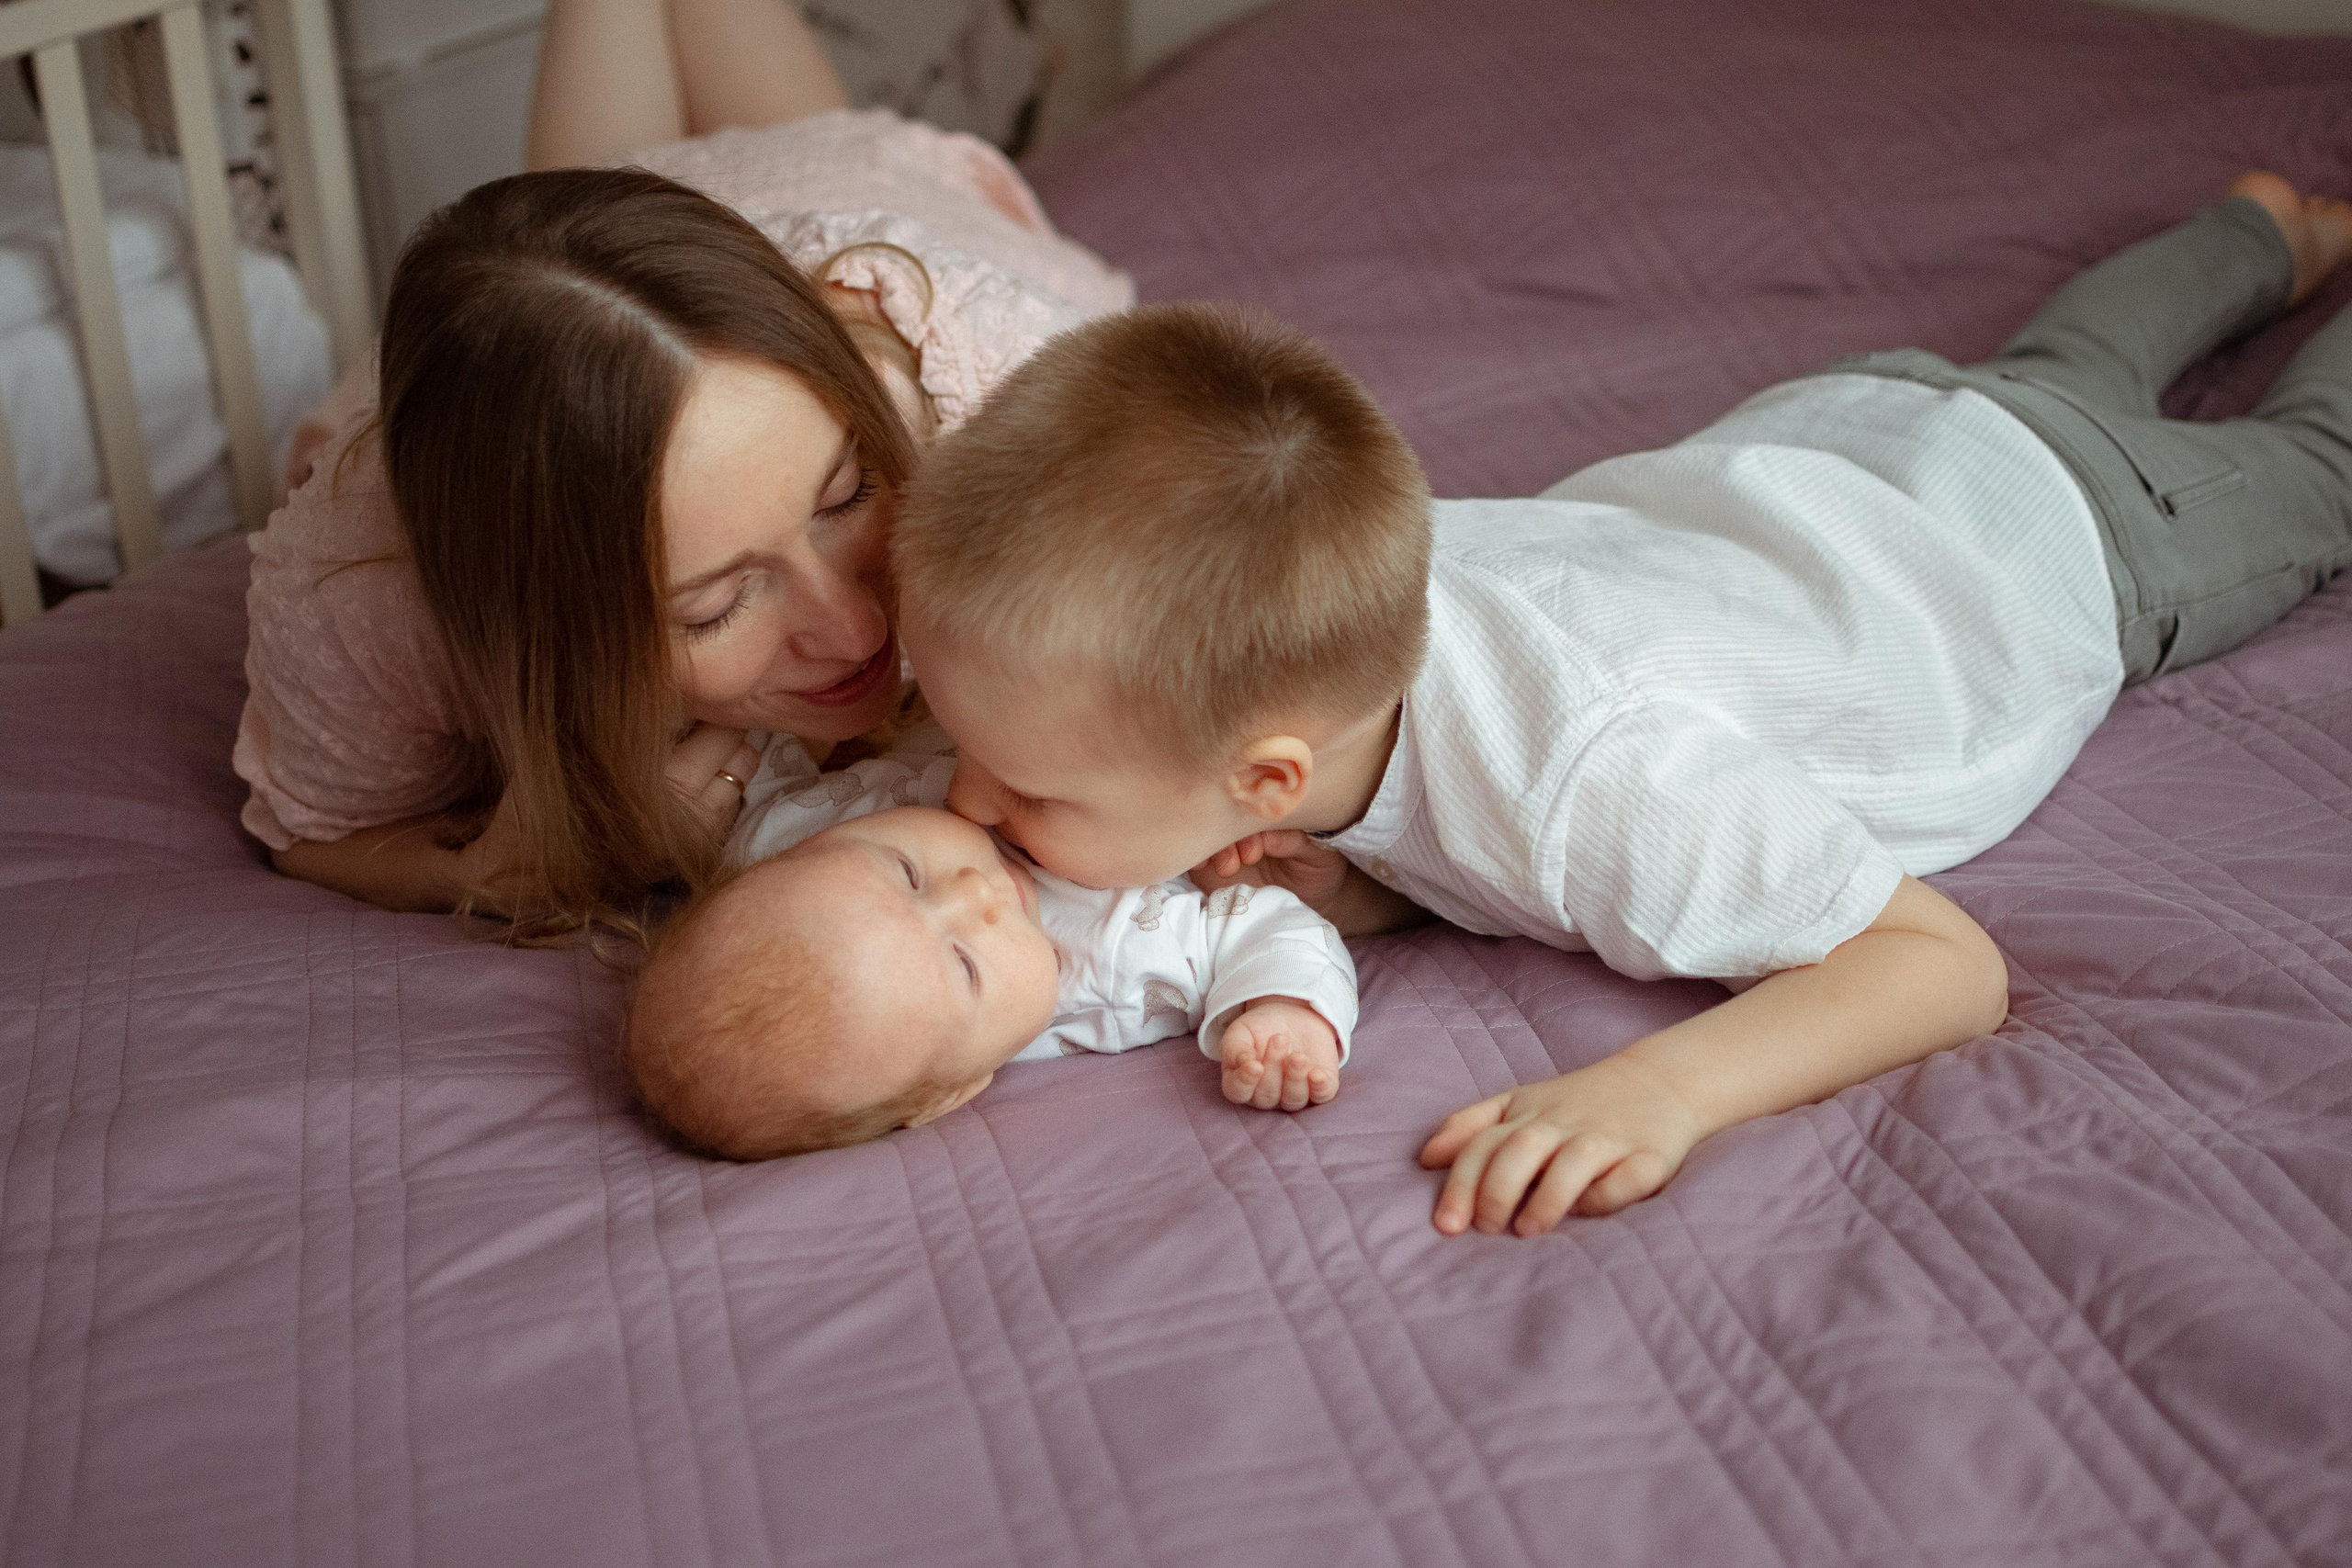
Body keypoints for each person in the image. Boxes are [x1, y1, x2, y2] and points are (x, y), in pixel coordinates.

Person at [887, 173, 2352, 1235]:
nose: (967, 803)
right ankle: (2259, 231)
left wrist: (1664, 1091)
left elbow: (1936, 963)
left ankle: (2280, 250)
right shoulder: (1344, 593)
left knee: (2316, 456)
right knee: (2060, 362)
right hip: (1864, 430)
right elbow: (1433, 812)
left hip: (2076, 539)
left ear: (1266, 776)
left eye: (1027, 788)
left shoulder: (1601, 779)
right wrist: (1362, 890)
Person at [232, 0, 1129, 939]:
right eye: (714, 605)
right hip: (578, 333)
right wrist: (491, 870)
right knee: (554, 277)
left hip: (807, 211)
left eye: (848, 493)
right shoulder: (365, 602)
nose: (858, 625)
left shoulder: (984, 379)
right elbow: (315, 832)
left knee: (642, 196)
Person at [624, 799, 1358, 1158]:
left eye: (907, 872)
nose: (978, 892)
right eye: (966, 965)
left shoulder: (787, 839)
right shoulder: (1120, 965)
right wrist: (1284, 1006)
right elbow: (1269, 924)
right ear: (954, 1090)